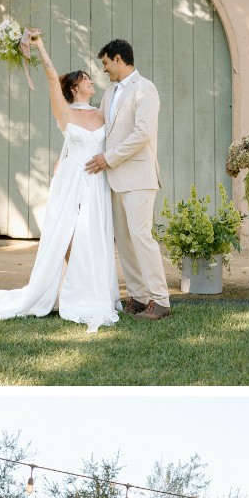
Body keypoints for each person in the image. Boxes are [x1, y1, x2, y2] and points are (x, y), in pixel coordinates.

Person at [0, 34, 121, 332]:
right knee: (67, 233)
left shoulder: (102, 113)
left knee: (93, 233)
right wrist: (39, 46)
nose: (91, 81)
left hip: (96, 182)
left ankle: (93, 289)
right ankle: (75, 287)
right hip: (71, 180)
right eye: (85, 79)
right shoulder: (64, 111)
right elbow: (50, 76)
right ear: (74, 88)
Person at [86, 38, 172, 320]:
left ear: (119, 59)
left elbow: (143, 133)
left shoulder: (145, 89)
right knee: (123, 240)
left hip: (138, 176)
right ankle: (138, 296)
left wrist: (108, 158)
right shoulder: (110, 93)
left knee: (141, 237)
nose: (104, 69)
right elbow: (101, 127)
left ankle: (160, 301)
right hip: (115, 179)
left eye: (106, 63)